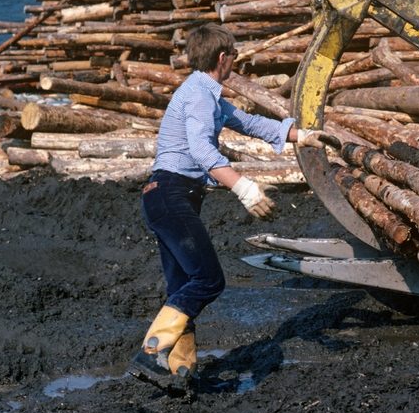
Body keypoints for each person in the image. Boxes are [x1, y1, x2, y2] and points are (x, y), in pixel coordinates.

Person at [127, 23, 336, 393]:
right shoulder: (197, 96)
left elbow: (249, 122)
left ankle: (179, 373)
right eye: (234, 56)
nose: (236, 62)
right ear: (222, 58)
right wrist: (245, 189)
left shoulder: (205, 94)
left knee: (183, 289)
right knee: (209, 280)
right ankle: (150, 353)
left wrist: (300, 135)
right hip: (172, 196)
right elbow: (202, 151)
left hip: (162, 196)